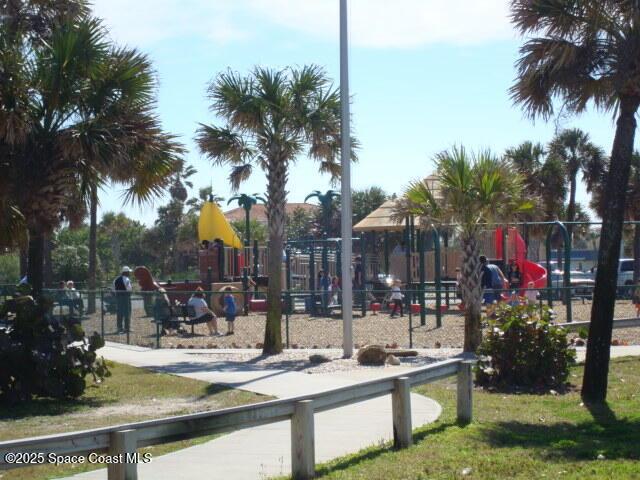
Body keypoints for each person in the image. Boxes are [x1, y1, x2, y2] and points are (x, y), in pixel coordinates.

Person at [113, 266, 133, 333]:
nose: (129, 273)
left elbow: (113, 289)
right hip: (126, 298)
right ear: (126, 272)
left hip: (118, 298)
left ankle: (119, 328)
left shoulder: (116, 279)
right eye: (128, 272)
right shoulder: (127, 279)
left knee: (119, 313)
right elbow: (129, 289)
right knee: (127, 312)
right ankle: (127, 328)